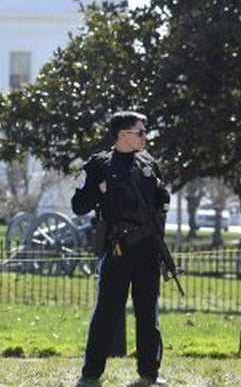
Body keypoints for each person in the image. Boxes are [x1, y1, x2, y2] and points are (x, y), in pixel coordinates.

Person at [72, 111, 170, 387]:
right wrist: (100, 190)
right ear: (123, 134)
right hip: (118, 248)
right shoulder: (99, 164)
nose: (145, 137)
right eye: (140, 132)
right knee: (107, 311)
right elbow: (78, 206)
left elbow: (161, 203)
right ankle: (91, 374)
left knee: (148, 313)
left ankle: (149, 373)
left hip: (147, 248)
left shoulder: (149, 162)